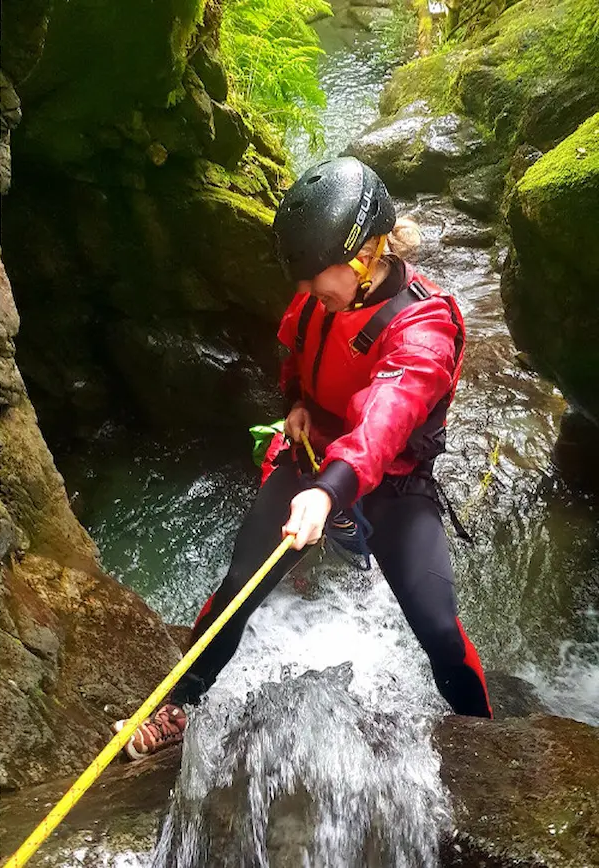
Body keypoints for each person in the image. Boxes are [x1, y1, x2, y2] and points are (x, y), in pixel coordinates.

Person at [113, 157, 492, 760]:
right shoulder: (320, 301)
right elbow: (297, 357)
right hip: (311, 455)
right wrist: (296, 403)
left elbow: (388, 415)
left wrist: (326, 491)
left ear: (367, 255)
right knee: (241, 583)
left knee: (439, 626)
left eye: (316, 277)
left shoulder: (425, 326)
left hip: (386, 481)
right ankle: (179, 705)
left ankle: (489, 741)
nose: (305, 292)